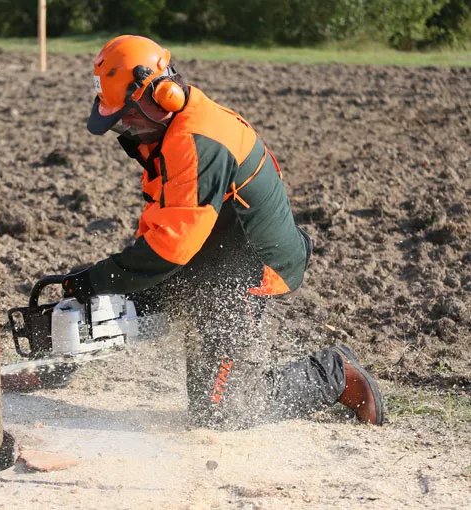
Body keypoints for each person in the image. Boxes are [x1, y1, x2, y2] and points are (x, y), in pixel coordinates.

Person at [61, 35, 384, 429]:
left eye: (126, 115)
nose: (124, 127)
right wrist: (110, 283)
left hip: (248, 271)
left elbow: (168, 250)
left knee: (224, 409)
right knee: (127, 302)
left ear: (161, 96)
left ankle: (335, 373)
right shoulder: (169, 134)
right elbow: (164, 221)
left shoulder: (197, 140)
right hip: (210, 256)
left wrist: (98, 278)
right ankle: (56, 359)